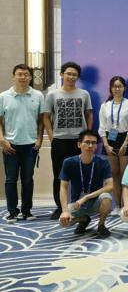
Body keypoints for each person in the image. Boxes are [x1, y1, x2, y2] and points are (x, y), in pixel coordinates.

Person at [44, 61, 93, 220]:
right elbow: (46, 116)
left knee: (80, 174)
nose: (71, 77)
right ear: (62, 74)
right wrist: (51, 136)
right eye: (68, 74)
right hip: (60, 141)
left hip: (79, 141)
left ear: (78, 77)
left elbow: (89, 114)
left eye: (74, 74)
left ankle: (77, 206)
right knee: (59, 175)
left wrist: (87, 135)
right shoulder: (52, 95)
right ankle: (60, 207)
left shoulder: (84, 94)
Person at [0, 64, 44, 222]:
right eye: (19, 74)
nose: (23, 77)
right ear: (13, 76)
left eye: (26, 74)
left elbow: (41, 120)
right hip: (10, 145)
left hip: (31, 145)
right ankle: (12, 211)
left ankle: (27, 211)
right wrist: (2, 139)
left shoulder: (38, 95)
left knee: (27, 179)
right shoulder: (4, 96)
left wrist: (39, 139)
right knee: (10, 180)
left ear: (30, 77)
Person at [58, 130, 113, 238]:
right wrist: (64, 211)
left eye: (93, 143)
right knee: (63, 222)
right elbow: (63, 187)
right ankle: (83, 219)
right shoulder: (69, 162)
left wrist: (87, 197)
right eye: (87, 142)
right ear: (79, 144)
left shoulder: (103, 162)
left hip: (95, 201)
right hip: (77, 203)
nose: (90, 145)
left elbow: (110, 186)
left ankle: (101, 225)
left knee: (107, 198)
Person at [98, 76, 128, 216]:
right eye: (114, 86)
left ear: (125, 88)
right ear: (110, 88)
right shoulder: (105, 106)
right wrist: (106, 145)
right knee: (114, 174)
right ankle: (117, 205)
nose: (117, 89)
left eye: (120, 86)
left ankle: (126, 204)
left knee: (125, 174)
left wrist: (125, 143)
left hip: (125, 138)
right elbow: (102, 127)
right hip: (109, 139)